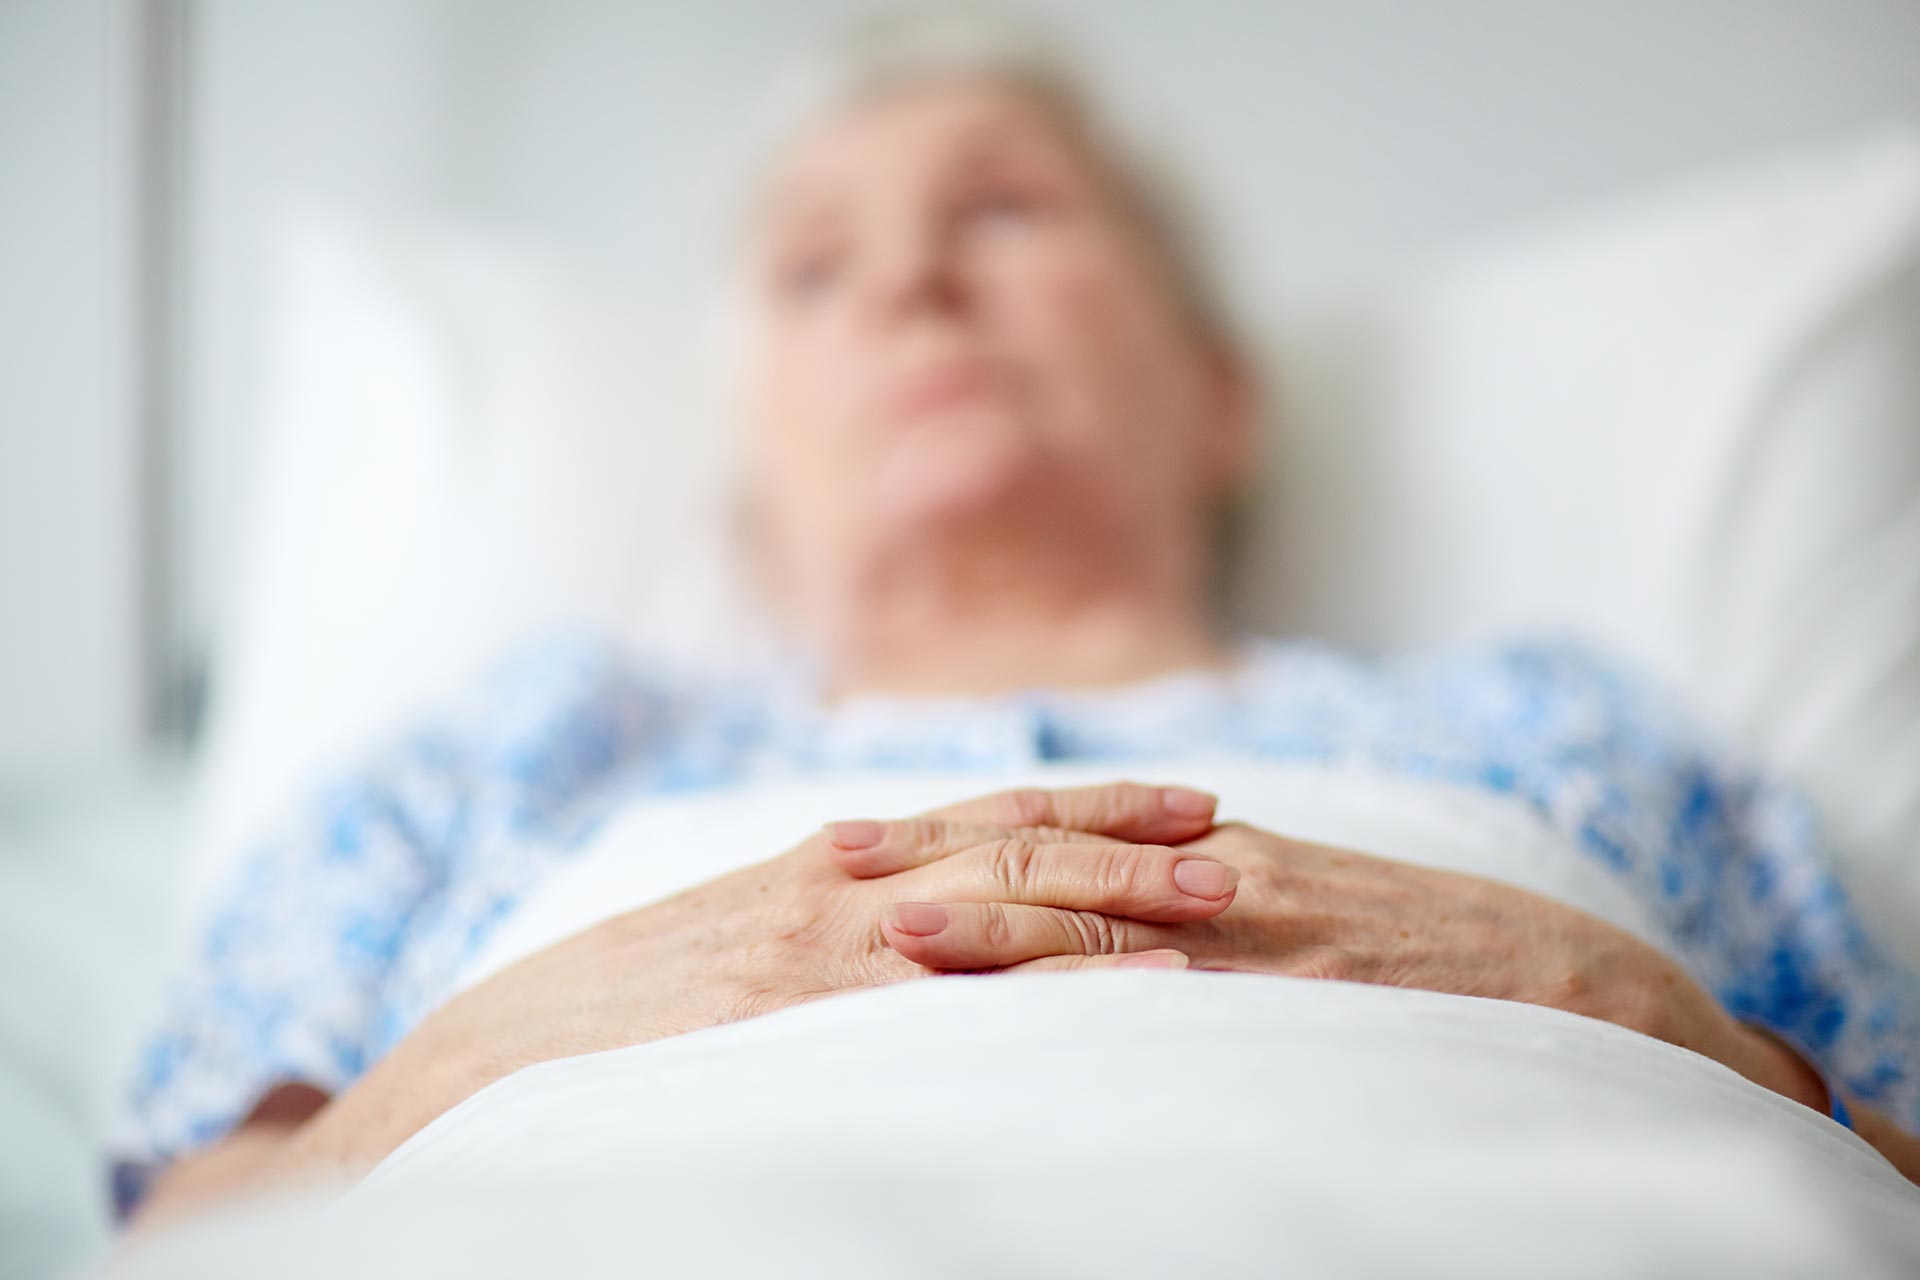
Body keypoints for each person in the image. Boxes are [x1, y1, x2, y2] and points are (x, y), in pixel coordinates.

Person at [113, 11, 1920, 1227]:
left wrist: (1609, 1000)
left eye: (1006, 208)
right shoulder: (513, 756)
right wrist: (517, 1038)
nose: (909, 282)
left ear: (1217, 392)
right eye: (816, 268)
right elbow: (189, 1232)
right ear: (762, 463)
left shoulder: (1559, 729)